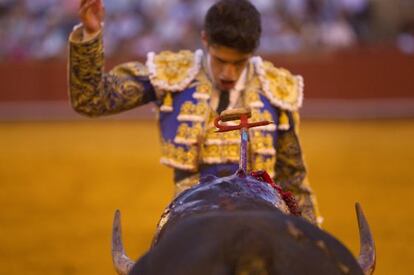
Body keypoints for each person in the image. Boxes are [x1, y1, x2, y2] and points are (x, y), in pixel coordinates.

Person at [68, 0, 321, 225]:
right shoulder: (173, 74)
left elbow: (293, 179)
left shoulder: (276, 87)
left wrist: (312, 243)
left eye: (239, 63)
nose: (228, 74)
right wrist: (91, 34)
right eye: (221, 60)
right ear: (204, 40)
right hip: (191, 216)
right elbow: (91, 100)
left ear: (253, 53)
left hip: (263, 216)